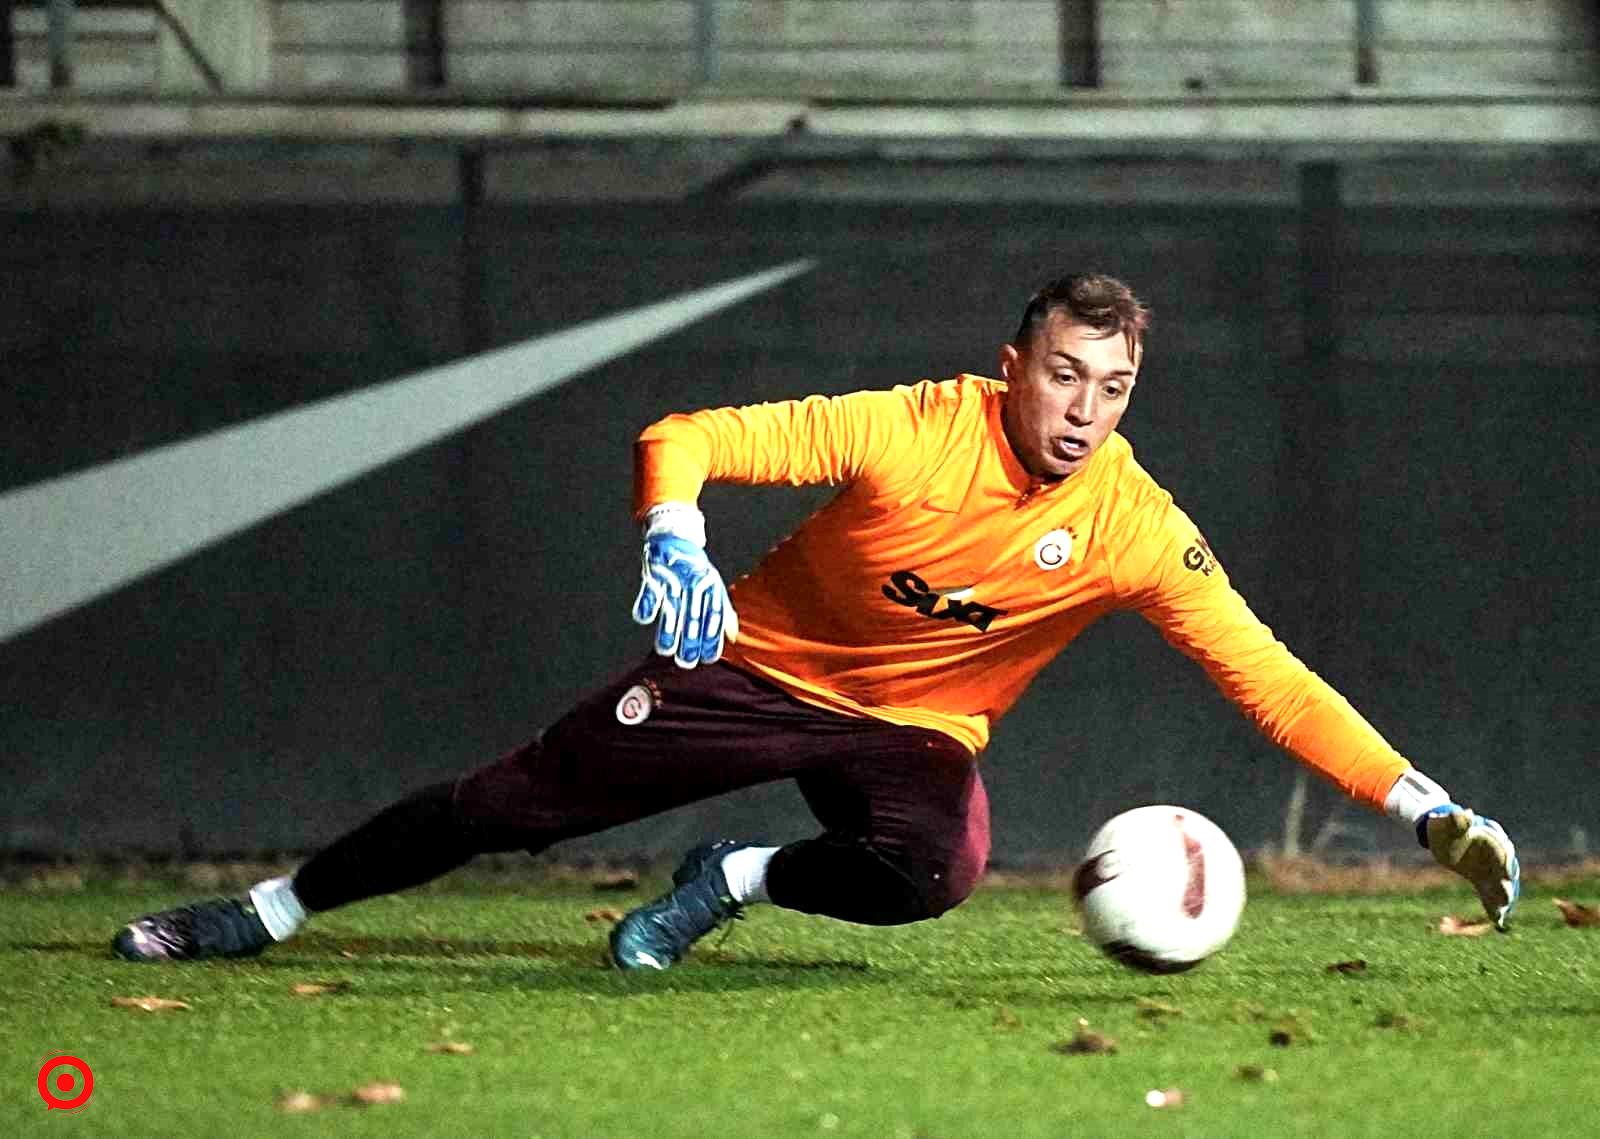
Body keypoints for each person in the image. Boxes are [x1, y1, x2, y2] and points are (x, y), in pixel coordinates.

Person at [112, 273, 1519, 970]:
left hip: (912, 727)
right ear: (1012, 364)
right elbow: (687, 432)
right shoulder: (910, 431)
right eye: (1067, 377)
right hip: (753, 665)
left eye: (1115, 389)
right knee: (512, 807)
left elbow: (1268, 681)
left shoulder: (1137, 527)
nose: (1087, 412)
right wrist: (674, 529)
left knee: (937, 869)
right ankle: (267, 911)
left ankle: (733, 881)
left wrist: (1426, 809)